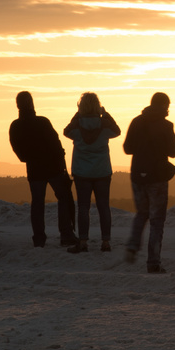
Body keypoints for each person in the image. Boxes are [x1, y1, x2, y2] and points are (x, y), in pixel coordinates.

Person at [10, 92, 75, 249]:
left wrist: (32, 156)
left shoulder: (16, 126)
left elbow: (20, 154)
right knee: (64, 198)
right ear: (32, 103)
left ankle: (39, 238)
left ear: (17, 105)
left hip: (34, 169)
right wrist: (61, 160)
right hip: (54, 167)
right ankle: (66, 234)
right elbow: (56, 144)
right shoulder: (43, 122)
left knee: (37, 203)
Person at [123, 92, 175, 272]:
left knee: (141, 213)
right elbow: (174, 152)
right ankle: (153, 262)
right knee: (157, 220)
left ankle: (132, 245)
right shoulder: (166, 125)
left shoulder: (136, 121)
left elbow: (127, 148)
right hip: (157, 177)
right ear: (164, 106)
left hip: (138, 174)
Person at [65, 93, 121, 253]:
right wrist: (106, 113)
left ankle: (82, 241)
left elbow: (66, 131)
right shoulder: (104, 124)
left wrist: (78, 114)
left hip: (82, 172)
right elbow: (117, 130)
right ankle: (106, 242)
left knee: (83, 207)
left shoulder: (76, 126)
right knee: (104, 206)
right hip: (102, 171)